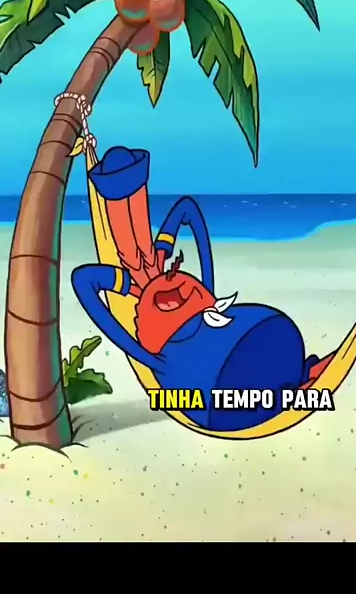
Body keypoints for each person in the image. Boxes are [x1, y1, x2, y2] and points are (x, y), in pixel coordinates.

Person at [72, 147, 329, 430]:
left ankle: (294, 377)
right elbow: (83, 280)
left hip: (247, 338)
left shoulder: (156, 259)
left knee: (267, 350)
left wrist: (208, 293)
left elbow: (186, 209)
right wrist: (143, 355)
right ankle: (292, 380)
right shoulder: (131, 281)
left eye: (134, 197)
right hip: (209, 384)